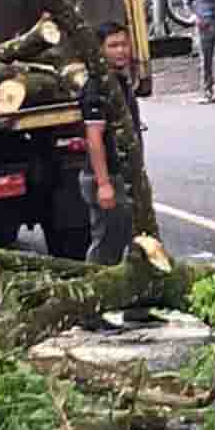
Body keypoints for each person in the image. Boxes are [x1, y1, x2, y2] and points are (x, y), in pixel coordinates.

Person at [79, 21, 143, 267]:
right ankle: (94, 294)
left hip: (123, 175)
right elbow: (94, 138)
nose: (121, 51)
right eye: (113, 45)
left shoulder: (119, 82)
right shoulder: (96, 87)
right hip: (105, 177)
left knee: (126, 240)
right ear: (100, 50)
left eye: (124, 44)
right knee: (105, 246)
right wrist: (104, 184)